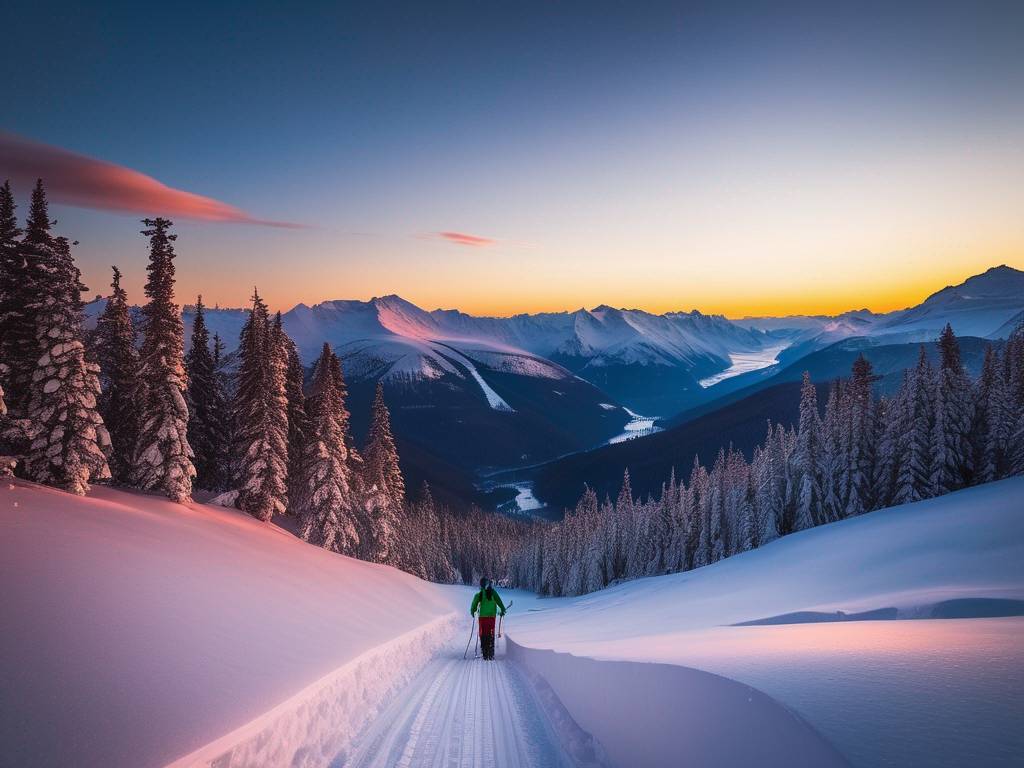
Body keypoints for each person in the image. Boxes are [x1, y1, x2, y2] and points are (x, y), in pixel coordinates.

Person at [470, 577, 506, 660]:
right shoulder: (493, 593)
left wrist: (473, 611)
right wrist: (503, 609)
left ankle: (485, 652)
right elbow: (499, 601)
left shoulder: (480, 594)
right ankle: (491, 653)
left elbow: (474, 604)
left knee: (483, 633)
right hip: (492, 617)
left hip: (483, 617)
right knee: (491, 633)